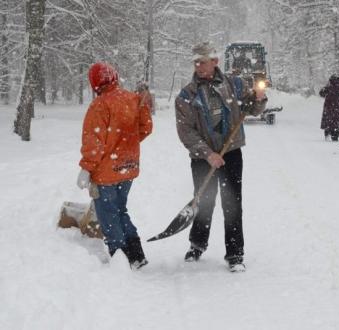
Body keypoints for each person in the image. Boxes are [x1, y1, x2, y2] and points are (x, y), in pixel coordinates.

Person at [175, 42, 267, 272]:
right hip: (202, 158)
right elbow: (185, 131)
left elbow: (253, 110)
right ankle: (197, 244)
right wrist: (208, 154)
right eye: (196, 62)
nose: (199, 66)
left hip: (231, 153)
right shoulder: (187, 95)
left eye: (203, 61)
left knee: (232, 203)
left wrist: (259, 97)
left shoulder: (234, 84)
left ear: (215, 61)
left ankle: (235, 254)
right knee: (204, 200)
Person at [77, 62, 153, 269]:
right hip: (128, 167)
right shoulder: (133, 98)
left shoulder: (100, 105)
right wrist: (126, 145)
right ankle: (136, 254)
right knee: (120, 209)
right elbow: (146, 128)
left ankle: (121, 258)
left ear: (95, 83)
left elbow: (94, 142)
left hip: (107, 172)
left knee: (108, 214)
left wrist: (86, 168)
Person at [319, 74, 339, 141]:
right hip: (338, 109)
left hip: (328, 109)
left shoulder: (328, 88)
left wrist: (326, 86)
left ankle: (327, 135)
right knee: (336, 123)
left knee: (328, 122)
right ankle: (335, 137)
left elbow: (321, 93)